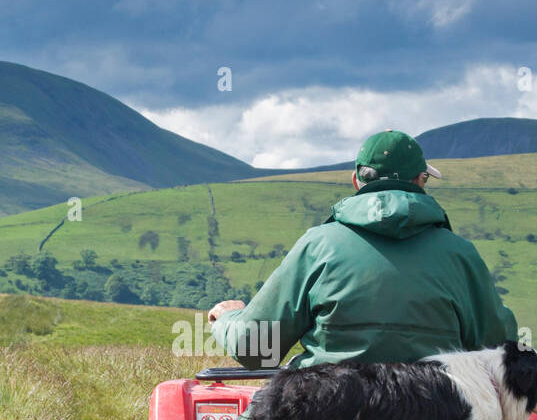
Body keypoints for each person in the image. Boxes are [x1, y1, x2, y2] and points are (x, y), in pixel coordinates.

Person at [207, 129, 518, 373]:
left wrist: (227, 317)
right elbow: (500, 349)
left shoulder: (318, 246)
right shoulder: (460, 254)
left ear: (356, 181)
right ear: (421, 181)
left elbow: (257, 350)